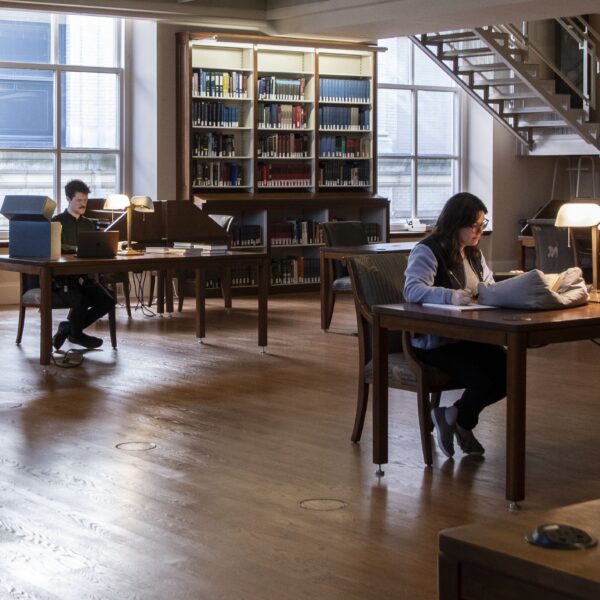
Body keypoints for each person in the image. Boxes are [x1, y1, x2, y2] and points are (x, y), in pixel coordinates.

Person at [403, 192, 506, 458]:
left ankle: (451, 416)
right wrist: (449, 296)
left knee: (509, 371)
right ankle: (462, 423)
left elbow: (488, 284)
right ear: (455, 223)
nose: (479, 231)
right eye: (474, 226)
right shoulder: (427, 250)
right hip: (435, 342)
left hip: (468, 336)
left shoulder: (473, 254)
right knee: (482, 379)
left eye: (482, 225)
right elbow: (412, 290)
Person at [51, 179, 116, 350]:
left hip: (86, 276)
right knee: (80, 298)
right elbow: (55, 247)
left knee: (108, 301)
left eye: (85, 200)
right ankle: (76, 333)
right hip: (64, 278)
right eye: (79, 200)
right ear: (68, 199)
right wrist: (76, 249)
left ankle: (70, 329)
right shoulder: (57, 221)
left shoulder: (89, 223)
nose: (82, 204)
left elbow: (95, 247)